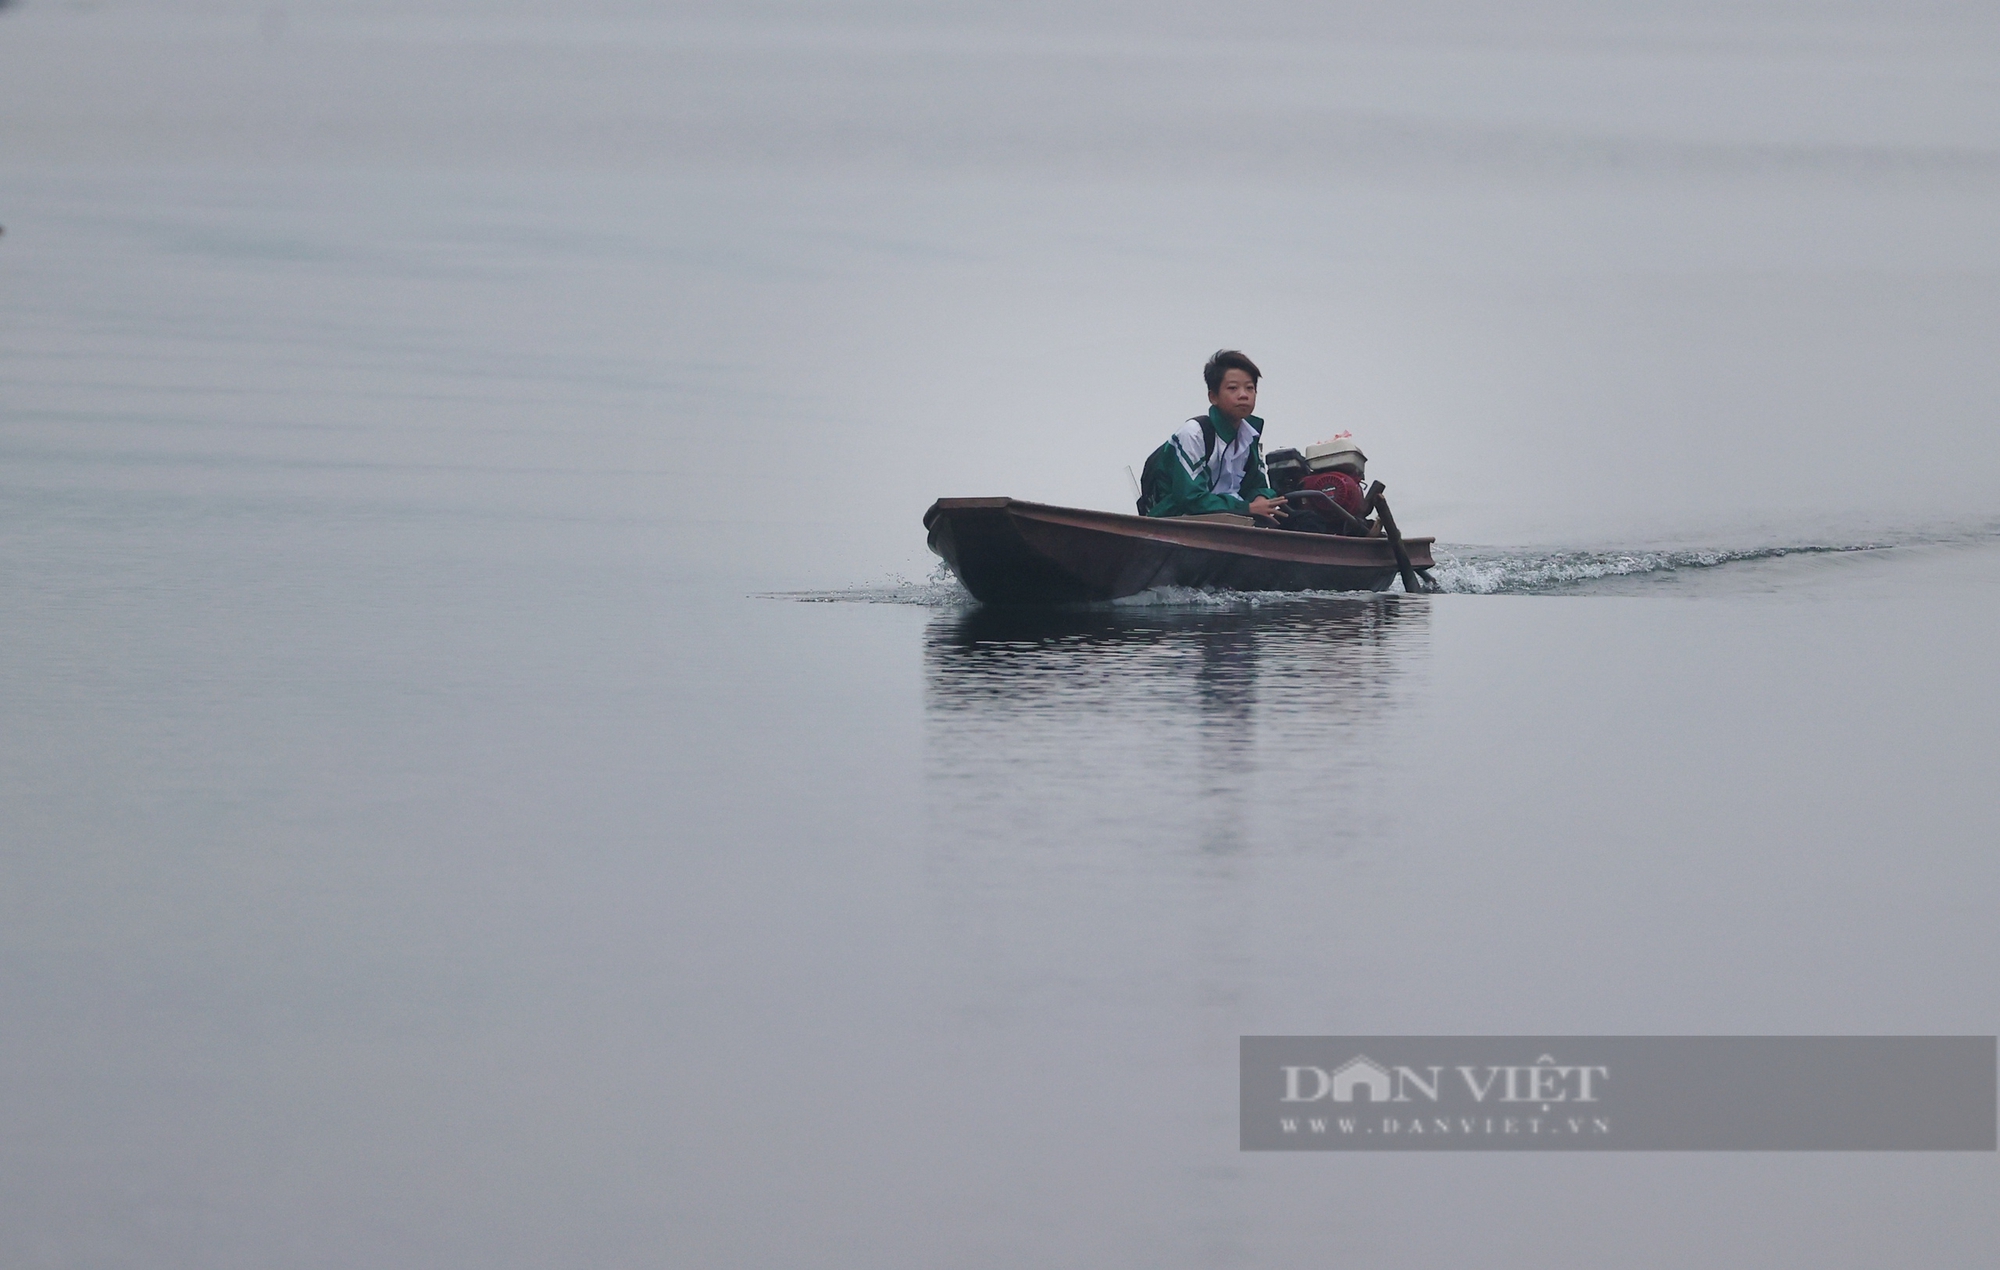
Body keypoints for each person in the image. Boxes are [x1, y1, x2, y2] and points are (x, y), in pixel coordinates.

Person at [1138, 350, 1286, 521]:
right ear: (1213, 397)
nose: (1243, 395)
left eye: (1250, 388)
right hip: (1179, 523)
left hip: (1232, 522)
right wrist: (1246, 507)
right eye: (1233, 388)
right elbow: (1190, 497)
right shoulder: (1194, 433)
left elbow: (1258, 485)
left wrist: (1261, 498)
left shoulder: (1249, 435)